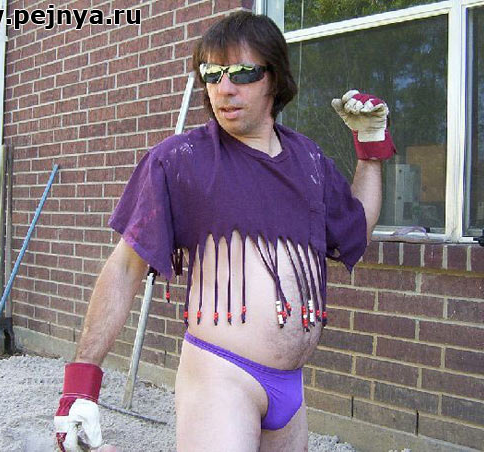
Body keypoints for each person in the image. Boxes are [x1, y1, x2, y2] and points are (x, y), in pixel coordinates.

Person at [54, 11, 395, 452]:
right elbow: (124, 268)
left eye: (242, 73)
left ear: (275, 79)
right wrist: (80, 386)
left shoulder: (308, 160)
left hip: (291, 388)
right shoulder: (181, 160)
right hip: (221, 378)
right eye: (211, 74)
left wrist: (370, 150)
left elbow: (356, 228)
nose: (224, 88)